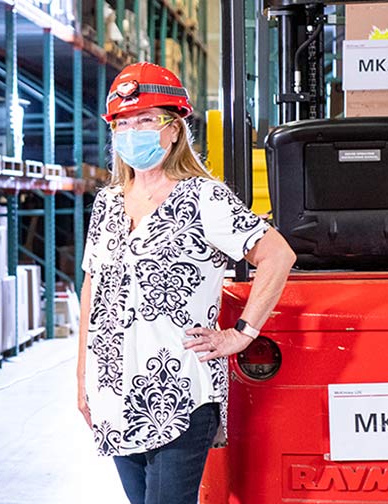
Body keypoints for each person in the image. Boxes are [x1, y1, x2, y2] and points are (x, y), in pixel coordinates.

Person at [77, 62, 296, 504]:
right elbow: (93, 290)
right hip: (114, 390)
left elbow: (277, 255)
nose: (131, 131)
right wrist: (83, 375)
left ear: (174, 129)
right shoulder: (107, 203)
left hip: (180, 390)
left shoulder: (204, 197)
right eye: (122, 123)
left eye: (145, 120)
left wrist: (242, 333)